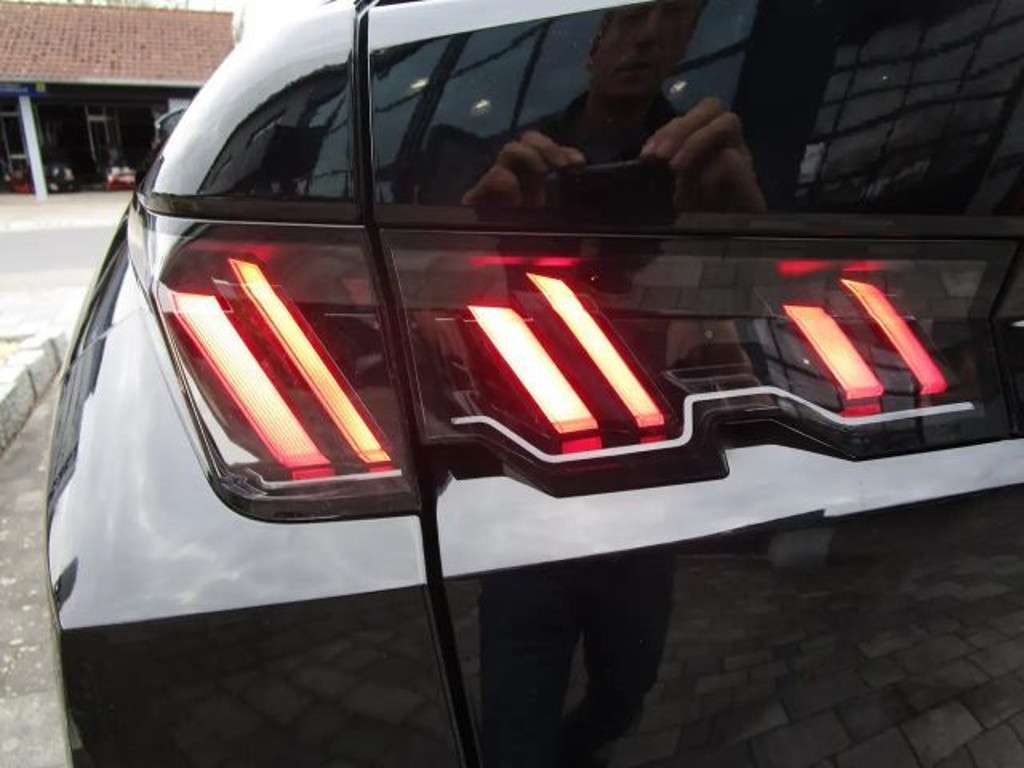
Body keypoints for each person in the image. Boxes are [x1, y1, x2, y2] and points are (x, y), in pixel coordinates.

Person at [463, 0, 765, 214]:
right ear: (594, 49)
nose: (648, 35)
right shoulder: (510, 159)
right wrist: (480, 222)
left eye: (673, 15)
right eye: (633, 15)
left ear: (684, 45)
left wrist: (745, 226)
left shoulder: (709, 159)